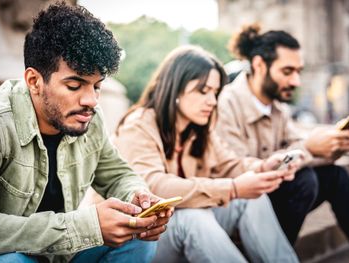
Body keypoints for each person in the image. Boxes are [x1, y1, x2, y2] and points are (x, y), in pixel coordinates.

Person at [0, 3, 172, 263]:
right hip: (12, 256)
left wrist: (137, 199)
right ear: (34, 81)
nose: (91, 100)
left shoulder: (89, 119)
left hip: (63, 255)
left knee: (136, 238)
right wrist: (86, 225)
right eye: (75, 85)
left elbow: (117, 174)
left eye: (97, 86)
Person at [111, 45, 299, 263]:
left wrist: (263, 167)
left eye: (215, 92)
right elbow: (154, 185)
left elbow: (230, 164)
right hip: (138, 239)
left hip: (177, 230)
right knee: (192, 218)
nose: (212, 101)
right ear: (175, 88)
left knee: (250, 200)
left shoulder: (199, 129)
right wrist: (233, 188)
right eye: (203, 91)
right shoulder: (139, 125)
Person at [216, 24, 349, 262]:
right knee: (303, 182)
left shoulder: (276, 108)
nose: (295, 80)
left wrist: (333, 147)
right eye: (287, 71)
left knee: (335, 176)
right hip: (238, 205)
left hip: (269, 195)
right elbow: (238, 169)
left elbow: (298, 147)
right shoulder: (226, 105)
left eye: (298, 71)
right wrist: (308, 148)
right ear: (259, 65)